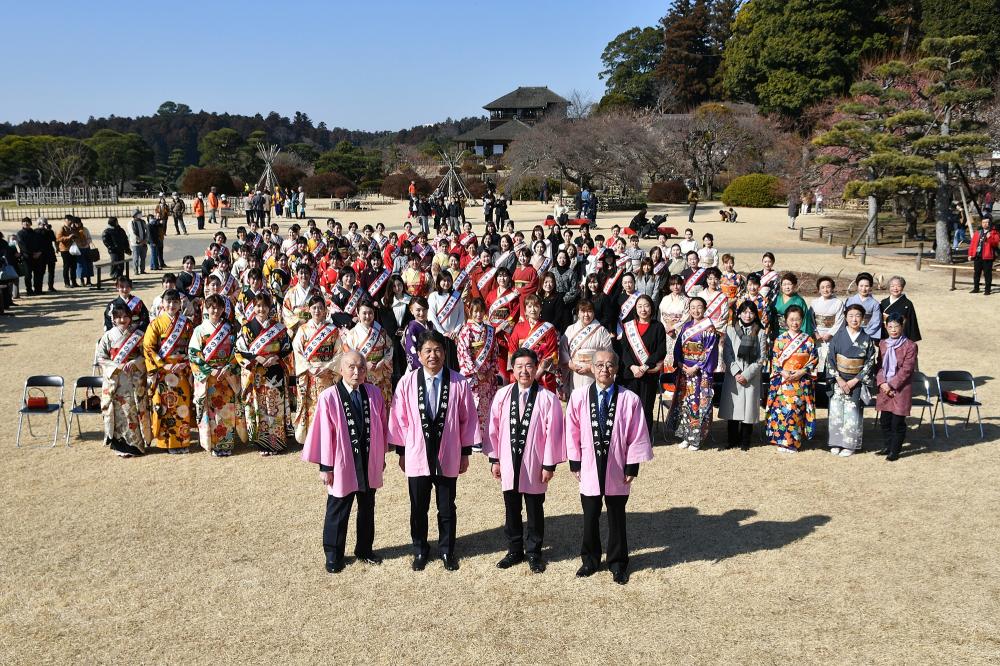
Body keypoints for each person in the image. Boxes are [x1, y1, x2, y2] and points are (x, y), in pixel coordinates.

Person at [388, 330, 480, 572]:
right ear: (418, 354)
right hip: (417, 453)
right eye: (427, 350)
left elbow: (467, 419)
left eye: (438, 350)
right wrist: (402, 453)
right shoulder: (407, 382)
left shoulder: (459, 382)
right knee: (418, 506)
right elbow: (399, 419)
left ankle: (447, 550)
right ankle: (420, 549)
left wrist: (464, 453)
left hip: (448, 453)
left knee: (447, 506)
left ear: (445, 352)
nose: (433, 355)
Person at [565, 349, 653, 585]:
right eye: (600, 365)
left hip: (617, 464)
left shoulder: (630, 399)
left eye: (610, 365)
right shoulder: (578, 397)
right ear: (592, 368)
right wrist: (574, 461)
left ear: (616, 368)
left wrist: (632, 465)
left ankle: (618, 562)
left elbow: (637, 434)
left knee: (616, 516)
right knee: (590, 515)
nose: (605, 369)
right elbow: (572, 431)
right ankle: (590, 560)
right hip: (589, 464)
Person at [302, 350, 389, 573]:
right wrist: (326, 466)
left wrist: (381, 458)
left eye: (361, 367)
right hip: (342, 462)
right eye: (351, 367)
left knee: (367, 507)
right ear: (341, 370)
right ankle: (333, 554)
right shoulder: (329, 397)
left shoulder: (374, 393)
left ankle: (365, 549)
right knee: (338, 509)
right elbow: (324, 434)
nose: (357, 371)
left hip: (368, 461)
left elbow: (381, 428)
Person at [485, 348, 566, 573]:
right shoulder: (502, 395)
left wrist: (549, 465)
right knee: (511, 508)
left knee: (534, 508)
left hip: (535, 463)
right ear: (512, 369)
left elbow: (554, 433)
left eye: (529, 366)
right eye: (519, 366)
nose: (524, 371)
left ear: (536, 367)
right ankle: (514, 550)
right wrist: (495, 459)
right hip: (509, 462)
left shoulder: (548, 398)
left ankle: (534, 552)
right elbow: (494, 428)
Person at [188, 294, 247, 456]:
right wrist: (210, 370)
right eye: (212, 307)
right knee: (211, 412)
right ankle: (214, 444)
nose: (215, 310)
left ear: (223, 309)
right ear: (207, 309)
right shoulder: (199, 330)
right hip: (209, 377)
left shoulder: (229, 329)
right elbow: (193, 354)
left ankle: (226, 443)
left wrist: (228, 367)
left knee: (226, 410)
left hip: (226, 376)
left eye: (218, 307)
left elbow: (237, 351)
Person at [236, 292, 293, 456]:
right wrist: (257, 358)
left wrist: (276, 356)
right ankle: (263, 444)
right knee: (260, 408)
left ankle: (277, 443)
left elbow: (287, 349)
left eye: (265, 306)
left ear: (270, 308)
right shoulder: (247, 328)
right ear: (253, 307)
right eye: (258, 305)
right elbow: (239, 351)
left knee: (276, 408)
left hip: (275, 371)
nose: (261, 309)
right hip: (257, 373)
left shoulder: (279, 328)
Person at [95, 303, 151, 457]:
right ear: (113, 319)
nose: (122, 320)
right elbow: (101, 357)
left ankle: (136, 445)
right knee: (119, 412)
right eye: (118, 317)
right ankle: (120, 445)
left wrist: (135, 362)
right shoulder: (108, 336)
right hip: (117, 380)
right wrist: (115, 365)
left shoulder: (138, 335)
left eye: (126, 316)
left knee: (134, 411)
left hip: (133, 378)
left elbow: (145, 354)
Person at [142, 290, 194, 453]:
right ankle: (165, 442)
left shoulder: (186, 323)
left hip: (181, 370)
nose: (171, 305)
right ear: (162, 303)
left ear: (180, 304)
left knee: (182, 405)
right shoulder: (155, 324)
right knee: (163, 406)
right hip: (163, 372)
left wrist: (185, 363)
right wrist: (163, 365)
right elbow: (148, 348)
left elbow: (193, 348)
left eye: (175, 302)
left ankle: (182, 441)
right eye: (168, 302)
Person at [825, 304, 878, 456]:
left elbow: (869, 363)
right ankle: (835, 442)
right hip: (839, 380)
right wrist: (839, 379)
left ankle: (850, 444)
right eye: (851, 316)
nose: (854, 319)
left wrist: (856, 380)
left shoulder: (867, 339)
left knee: (852, 411)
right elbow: (830, 359)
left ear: (863, 319)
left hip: (856, 381)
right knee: (836, 411)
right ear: (846, 318)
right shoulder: (838, 337)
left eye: (858, 316)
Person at [667, 297, 718, 450]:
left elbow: (709, 351)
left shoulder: (709, 328)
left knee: (698, 404)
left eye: (699, 307)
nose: (696, 310)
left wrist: (696, 367)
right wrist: (681, 363)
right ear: (689, 310)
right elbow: (678, 348)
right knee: (684, 403)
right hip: (684, 371)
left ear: (705, 308)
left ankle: (696, 438)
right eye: (693, 307)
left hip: (700, 373)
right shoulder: (686, 326)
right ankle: (685, 435)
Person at [765, 305, 818, 452]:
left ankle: (793, 442)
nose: (795, 323)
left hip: (800, 381)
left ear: (802, 320)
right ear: (786, 321)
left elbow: (813, 359)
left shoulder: (808, 340)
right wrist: (782, 372)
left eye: (798, 319)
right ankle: (781, 440)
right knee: (782, 411)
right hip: (783, 380)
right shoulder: (780, 339)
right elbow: (775, 359)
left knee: (796, 412)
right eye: (792, 319)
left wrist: (802, 371)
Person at [292, 296, 343, 445]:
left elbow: (339, 352)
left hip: (327, 374)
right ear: (309, 310)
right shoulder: (303, 330)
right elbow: (298, 351)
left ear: (325, 311)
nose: (317, 311)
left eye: (320, 308)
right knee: (310, 405)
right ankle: (312, 439)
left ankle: (329, 437)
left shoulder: (332, 330)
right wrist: (310, 368)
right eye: (314, 308)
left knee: (328, 405)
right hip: (310, 375)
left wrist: (328, 367)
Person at [719, 302, 767, 450]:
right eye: (745, 312)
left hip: (751, 376)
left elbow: (761, 358)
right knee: (733, 408)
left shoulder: (760, 332)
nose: (748, 315)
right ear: (739, 313)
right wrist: (736, 372)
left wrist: (747, 374)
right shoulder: (730, 329)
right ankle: (732, 440)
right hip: (734, 374)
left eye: (751, 312)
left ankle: (745, 441)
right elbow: (727, 353)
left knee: (748, 410)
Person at [875, 312, 918, 461]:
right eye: (890, 326)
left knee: (897, 422)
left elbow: (907, 369)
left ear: (902, 327)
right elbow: (879, 365)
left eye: (896, 326)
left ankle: (895, 450)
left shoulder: (910, 346)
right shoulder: (883, 344)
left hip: (901, 389)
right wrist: (882, 383)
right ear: (886, 327)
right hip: (884, 388)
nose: (893, 330)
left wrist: (892, 385)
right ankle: (887, 446)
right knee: (885, 421)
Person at [456, 297, 499, 439]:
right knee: (473, 404)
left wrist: (491, 370)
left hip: (488, 375)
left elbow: (494, 352)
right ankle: (472, 437)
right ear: (470, 312)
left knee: (487, 403)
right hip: (473, 375)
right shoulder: (466, 331)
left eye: (481, 311)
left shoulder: (490, 330)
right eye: (475, 312)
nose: (478, 315)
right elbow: (463, 352)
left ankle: (485, 434)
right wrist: (476, 372)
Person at [342, 300, 394, 405]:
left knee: (381, 404)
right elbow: (348, 357)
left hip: (380, 372)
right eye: (364, 313)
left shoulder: (380, 331)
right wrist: (364, 365)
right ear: (357, 313)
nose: (367, 316)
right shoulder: (352, 334)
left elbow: (390, 348)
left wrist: (383, 361)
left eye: (370, 313)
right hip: (361, 374)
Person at [507, 294, 560, 393]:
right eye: (529, 306)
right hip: (522, 373)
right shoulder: (518, 328)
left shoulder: (548, 328)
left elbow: (552, 353)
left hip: (542, 373)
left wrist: (537, 374)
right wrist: (519, 371)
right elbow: (512, 351)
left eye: (536, 306)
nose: (533, 309)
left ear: (540, 308)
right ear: (525, 310)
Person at [561, 300, 615, 392]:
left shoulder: (601, 330)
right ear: (578, 313)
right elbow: (563, 350)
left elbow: (608, 353)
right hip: (575, 370)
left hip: (595, 371)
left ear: (594, 313)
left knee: (593, 398)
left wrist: (591, 367)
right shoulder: (570, 329)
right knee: (577, 398)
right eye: (583, 311)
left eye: (589, 311)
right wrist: (570, 364)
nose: (586, 315)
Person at [811, 276, 845, 371]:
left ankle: (829, 378)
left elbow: (840, 321)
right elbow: (811, 320)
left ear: (832, 288)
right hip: (817, 334)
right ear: (819, 289)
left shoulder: (838, 303)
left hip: (832, 335)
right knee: (817, 356)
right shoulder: (814, 302)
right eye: (822, 287)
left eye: (828, 287)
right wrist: (815, 333)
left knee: (831, 357)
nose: (825, 290)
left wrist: (830, 334)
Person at [771, 273, 814, 339]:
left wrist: (802, 337)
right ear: (781, 286)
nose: (787, 287)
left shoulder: (799, 301)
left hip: (794, 333)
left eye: (789, 284)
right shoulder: (776, 298)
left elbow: (804, 320)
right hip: (776, 332)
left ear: (794, 285)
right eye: (784, 284)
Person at [844, 272, 882, 340]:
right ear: (857, 286)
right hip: (850, 333)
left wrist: (865, 334)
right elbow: (845, 318)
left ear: (870, 286)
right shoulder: (849, 300)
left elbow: (876, 321)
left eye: (866, 286)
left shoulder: (875, 303)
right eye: (861, 286)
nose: (864, 289)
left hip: (867, 334)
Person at [967, 215, 999, 295]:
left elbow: (995, 244)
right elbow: (973, 244)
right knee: (976, 273)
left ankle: (987, 290)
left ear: (990, 223)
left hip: (987, 257)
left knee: (987, 274)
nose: (985, 224)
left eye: (987, 222)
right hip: (977, 256)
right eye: (983, 222)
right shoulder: (978, 232)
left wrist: (989, 237)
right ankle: (976, 288)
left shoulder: (994, 232)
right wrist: (970, 254)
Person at [128, 209, 148, 275]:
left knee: (143, 257)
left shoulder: (143, 221)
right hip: (135, 244)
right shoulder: (131, 222)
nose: (140, 215)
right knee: (136, 258)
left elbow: (147, 231)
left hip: (144, 242)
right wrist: (139, 240)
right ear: (135, 215)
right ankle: (136, 271)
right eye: (139, 213)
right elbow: (132, 233)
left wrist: (145, 239)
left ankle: (142, 270)